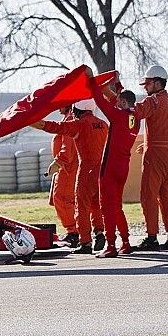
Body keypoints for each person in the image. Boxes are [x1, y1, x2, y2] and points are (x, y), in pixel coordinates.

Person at [30, 99, 108, 254]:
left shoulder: (78, 123)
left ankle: (83, 241)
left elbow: (56, 128)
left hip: (84, 169)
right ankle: (99, 232)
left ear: (77, 107)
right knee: (95, 204)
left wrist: (31, 122)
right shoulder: (103, 124)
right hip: (101, 169)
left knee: (81, 206)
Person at [130, 65, 168, 251]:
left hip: (156, 156)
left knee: (148, 196)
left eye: (148, 83)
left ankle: (151, 238)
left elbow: (135, 112)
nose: (145, 87)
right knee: (167, 195)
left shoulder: (153, 101)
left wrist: (119, 100)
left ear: (157, 83)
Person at [91, 80, 141, 258]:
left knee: (107, 208)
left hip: (110, 168)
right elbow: (118, 103)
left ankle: (110, 245)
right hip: (123, 167)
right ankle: (125, 242)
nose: (116, 103)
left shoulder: (117, 116)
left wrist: (92, 83)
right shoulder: (135, 118)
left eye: (119, 101)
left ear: (124, 103)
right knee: (117, 207)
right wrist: (118, 87)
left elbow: (100, 101)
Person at [46, 105, 79, 247]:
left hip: (68, 167)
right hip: (67, 166)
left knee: (62, 199)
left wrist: (58, 162)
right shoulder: (69, 117)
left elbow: (68, 146)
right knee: (63, 199)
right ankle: (78, 230)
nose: (57, 107)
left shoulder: (70, 119)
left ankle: (74, 232)